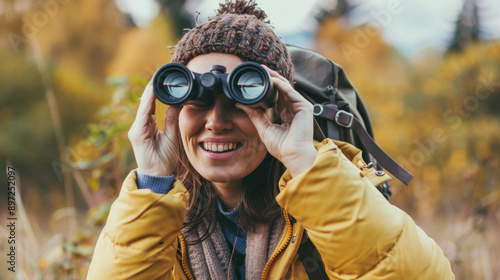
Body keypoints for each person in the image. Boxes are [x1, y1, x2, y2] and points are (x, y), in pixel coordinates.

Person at [87, 1, 454, 279]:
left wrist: (305, 163)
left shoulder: (329, 198)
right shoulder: (161, 218)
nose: (215, 121)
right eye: (196, 100)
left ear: (280, 108)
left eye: (240, 100)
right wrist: (151, 183)